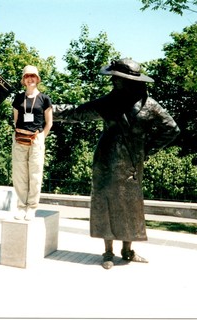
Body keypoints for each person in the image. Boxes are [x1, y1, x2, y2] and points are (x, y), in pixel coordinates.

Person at [54, 58, 180, 269]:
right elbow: (76, 112)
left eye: (117, 79)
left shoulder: (149, 105)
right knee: (106, 203)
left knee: (130, 205)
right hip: (106, 161)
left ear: (128, 81)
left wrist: (147, 149)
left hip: (131, 163)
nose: (113, 81)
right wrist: (42, 109)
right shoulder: (108, 102)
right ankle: (108, 252)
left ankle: (128, 250)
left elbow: (172, 129)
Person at [12, 65, 53, 220]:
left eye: (33, 76)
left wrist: (41, 137)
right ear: (24, 79)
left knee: (35, 175)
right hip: (20, 140)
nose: (30, 79)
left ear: (37, 79)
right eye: (27, 76)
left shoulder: (44, 99)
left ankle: (32, 207)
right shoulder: (18, 98)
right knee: (19, 175)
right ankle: (21, 207)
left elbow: (49, 123)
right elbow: (16, 120)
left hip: (36, 140)